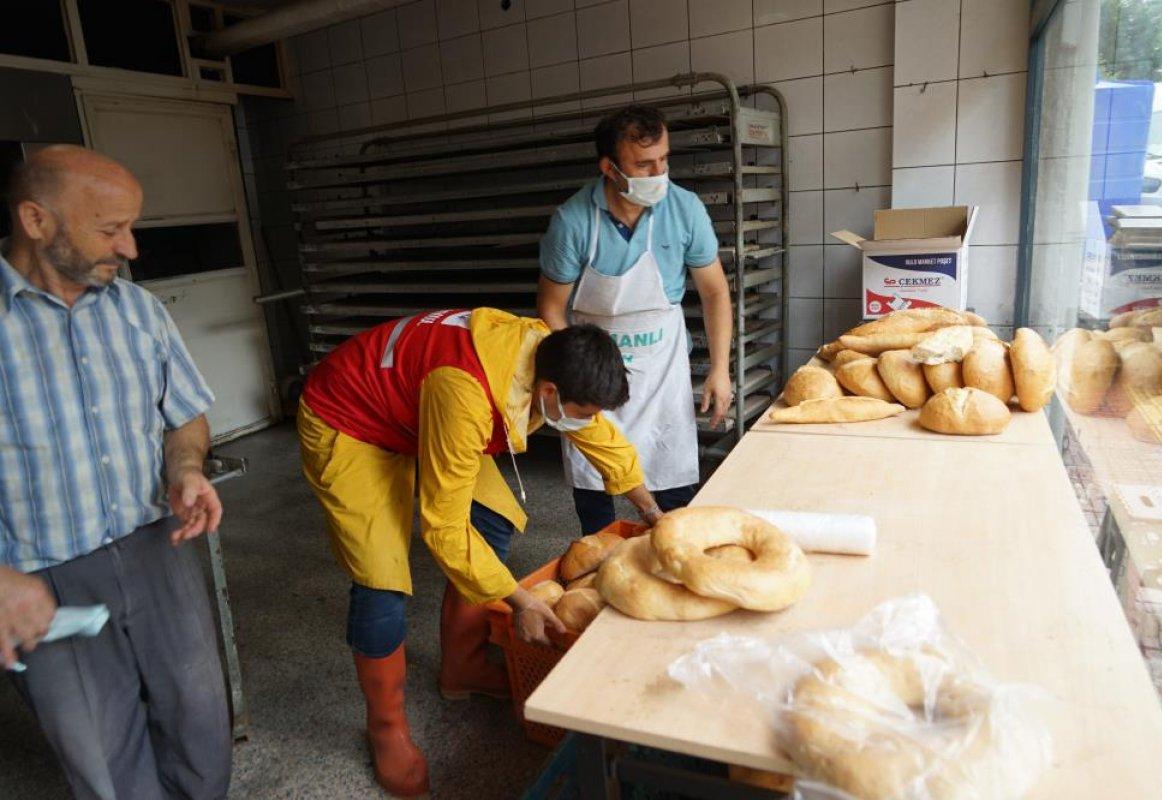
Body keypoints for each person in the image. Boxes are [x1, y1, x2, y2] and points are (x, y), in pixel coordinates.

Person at [296, 307, 661, 798]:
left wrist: (651, 512)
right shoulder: (466, 394)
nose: (588, 421)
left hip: (415, 408)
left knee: (491, 518)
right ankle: (386, 729)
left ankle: (462, 666)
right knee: (381, 577)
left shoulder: (547, 352)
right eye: (584, 410)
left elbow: (599, 436)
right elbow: (444, 528)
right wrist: (522, 601)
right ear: (548, 391)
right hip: (351, 417)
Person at [0, 146, 230, 798]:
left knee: (200, 721)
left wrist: (185, 469)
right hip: (38, 575)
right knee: (99, 751)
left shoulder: (138, 310)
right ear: (36, 221)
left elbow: (185, 416)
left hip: (157, 546)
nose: (129, 248)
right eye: (110, 229)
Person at [538, 104, 733, 535]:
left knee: (672, 478)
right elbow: (551, 307)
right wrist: (576, 375)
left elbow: (715, 292)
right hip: (593, 360)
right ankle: (598, 549)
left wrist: (720, 369)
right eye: (644, 164)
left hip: (661, 360)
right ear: (609, 168)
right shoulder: (573, 221)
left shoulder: (684, 209)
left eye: (664, 159)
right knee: (594, 479)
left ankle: (675, 548)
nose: (659, 173)